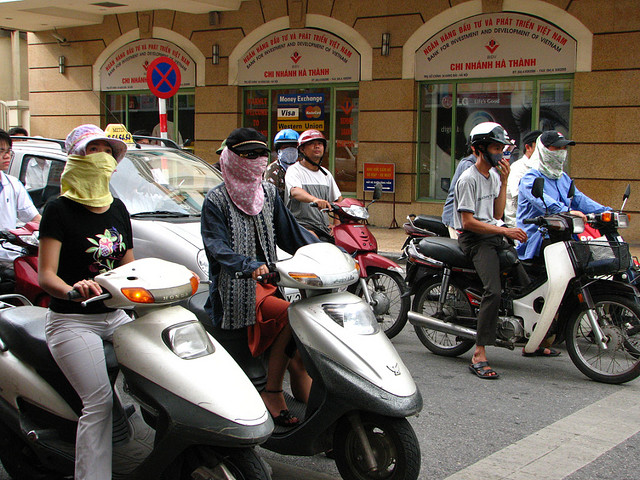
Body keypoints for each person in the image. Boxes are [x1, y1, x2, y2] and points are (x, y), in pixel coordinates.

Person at [201, 127, 316, 426]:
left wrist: (327, 252)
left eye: (261, 154)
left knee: (299, 342)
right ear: (232, 157)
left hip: (269, 285)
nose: (257, 160)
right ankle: (272, 391)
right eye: (248, 155)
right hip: (234, 290)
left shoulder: (267, 193)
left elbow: (291, 234)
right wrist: (247, 264)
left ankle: (301, 400)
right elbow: (216, 247)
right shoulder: (216, 200)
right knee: (291, 318)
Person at [38, 124, 133, 480]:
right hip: (72, 321)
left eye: (108, 151)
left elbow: (129, 266)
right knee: (99, 403)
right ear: (76, 157)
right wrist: (72, 290)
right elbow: (46, 274)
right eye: (93, 150)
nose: (103, 157)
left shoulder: (118, 208)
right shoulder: (57, 209)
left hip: (116, 316)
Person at [452, 122, 529, 379]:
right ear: (480, 149)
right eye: (496, 148)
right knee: (492, 290)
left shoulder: (495, 176)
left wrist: (505, 181)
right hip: (475, 239)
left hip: (493, 235)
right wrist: (505, 232)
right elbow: (468, 222)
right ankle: (479, 353)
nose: (501, 153)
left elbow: (497, 214)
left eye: (502, 148)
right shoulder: (468, 178)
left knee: (524, 280)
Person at [516, 130, 610, 261]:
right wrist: (569, 212)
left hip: (563, 233)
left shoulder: (563, 178)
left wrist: (606, 211)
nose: (562, 152)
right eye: (557, 148)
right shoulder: (530, 178)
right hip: (538, 238)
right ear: (544, 150)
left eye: (564, 148)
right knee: (570, 258)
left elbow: (579, 199)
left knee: (596, 257)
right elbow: (545, 203)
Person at [285, 129, 342, 242]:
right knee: (315, 242)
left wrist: (337, 224)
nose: (317, 146)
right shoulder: (294, 170)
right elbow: (295, 191)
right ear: (302, 149)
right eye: (312, 144)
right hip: (301, 225)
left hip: (322, 226)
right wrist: (315, 200)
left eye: (320, 144)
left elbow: (338, 199)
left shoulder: (326, 174)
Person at [0, 129, 41, 269]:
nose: (7, 156)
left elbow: (34, 218)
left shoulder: (12, 184)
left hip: (10, 256)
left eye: (8, 151)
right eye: (1, 151)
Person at [503, 130, 543, 227]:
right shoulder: (518, 168)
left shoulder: (541, 168)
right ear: (528, 147)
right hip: (518, 225)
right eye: (539, 147)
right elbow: (518, 199)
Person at [264, 129, 299, 200]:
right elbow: (270, 196)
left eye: (293, 147)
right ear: (279, 150)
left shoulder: (301, 169)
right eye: (285, 147)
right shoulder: (272, 170)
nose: (290, 150)